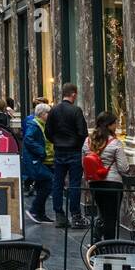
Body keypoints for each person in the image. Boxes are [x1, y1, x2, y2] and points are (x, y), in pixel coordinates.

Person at [46, 83, 89, 229]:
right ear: (74, 94)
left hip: (59, 150)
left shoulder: (54, 111)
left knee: (57, 182)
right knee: (75, 183)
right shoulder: (76, 111)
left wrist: (56, 141)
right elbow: (83, 132)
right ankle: (76, 215)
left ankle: (59, 215)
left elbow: (48, 132)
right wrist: (76, 144)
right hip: (74, 151)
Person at [85, 111, 128, 236]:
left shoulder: (88, 141)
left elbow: (85, 162)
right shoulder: (115, 143)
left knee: (102, 213)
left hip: (94, 183)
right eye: (115, 123)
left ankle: (96, 240)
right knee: (111, 217)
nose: (117, 126)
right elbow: (123, 168)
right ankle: (108, 247)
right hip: (113, 184)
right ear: (109, 125)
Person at [22, 103, 55, 224]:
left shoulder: (42, 124)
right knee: (47, 184)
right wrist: (42, 152)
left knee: (42, 186)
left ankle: (41, 214)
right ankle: (34, 210)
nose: (49, 116)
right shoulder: (35, 126)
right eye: (48, 113)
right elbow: (28, 139)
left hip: (44, 161)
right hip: (37, 161)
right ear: (42, 114)